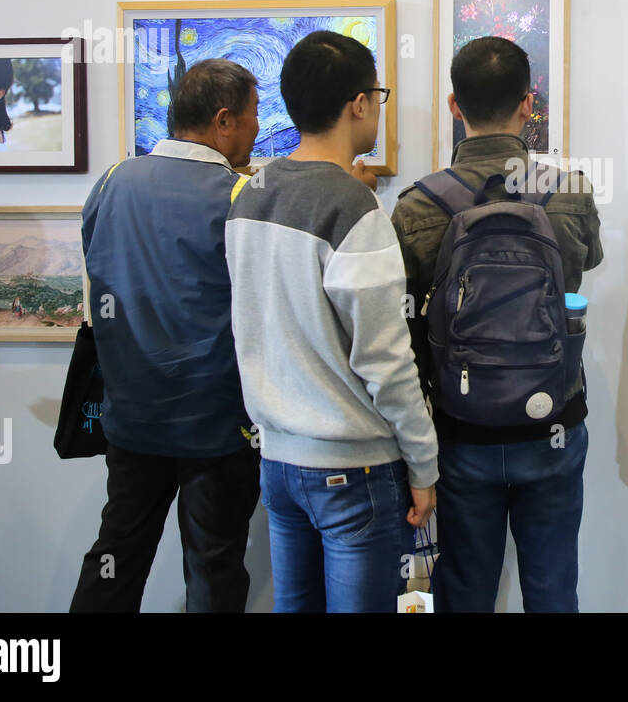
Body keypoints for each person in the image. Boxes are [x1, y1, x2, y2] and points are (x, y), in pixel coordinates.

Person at [226, 31, 437, 613]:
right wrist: (424, 463)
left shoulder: (250, 194)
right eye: (378, 95)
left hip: (278, 459)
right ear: (357, 104)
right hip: (353, 467)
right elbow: (386, 358)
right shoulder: (352, 208)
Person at [391, 35, 603, 612]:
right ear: (528, 104)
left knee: (464, 590)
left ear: (454, 105)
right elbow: (584, 270)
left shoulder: (417, 205)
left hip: (460, 431)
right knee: (554, 588)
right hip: (553, 421)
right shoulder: (572, 192)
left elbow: (406, 329)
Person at [71, 59, 263, 613]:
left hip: (130, 419)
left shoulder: (110, 181)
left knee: (116, 557)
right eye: (253, 116)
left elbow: (99, 269)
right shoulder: (238, 198)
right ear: (223, 120)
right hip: (215, 428)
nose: (258, 128)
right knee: (213, 567)